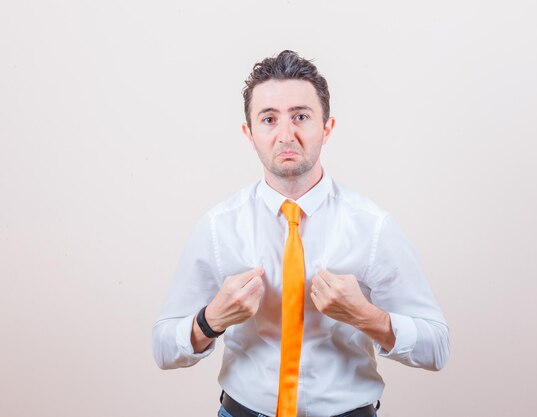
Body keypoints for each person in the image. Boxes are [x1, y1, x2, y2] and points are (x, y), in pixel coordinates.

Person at [152, 50, 449, 417]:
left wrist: (365, 316)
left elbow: (437, 348)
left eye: (301, 117)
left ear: (327, 127)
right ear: (249, 133)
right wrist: (210, 320)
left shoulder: (373, 227)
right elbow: (163, 348)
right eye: (269, 119)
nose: (285, 135)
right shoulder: (218, 227)